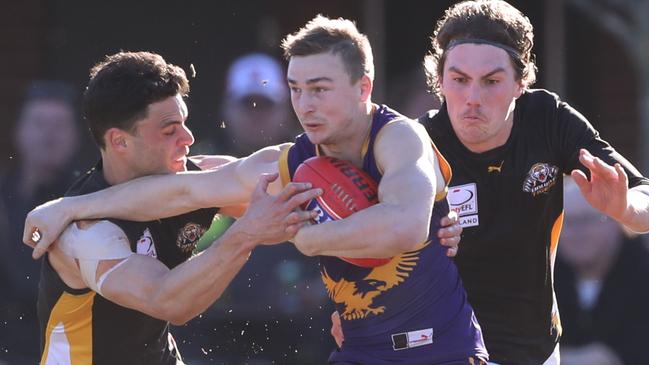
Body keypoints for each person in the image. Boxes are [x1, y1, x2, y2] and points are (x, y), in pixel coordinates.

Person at [23, 16, 481, 364]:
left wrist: (307, 234)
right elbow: (171, 287)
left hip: (438, 350)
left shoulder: (398, 138)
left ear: (365, 88)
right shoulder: (85, 228)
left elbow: (404, 227)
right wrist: (70, 206)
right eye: (297, 89)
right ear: (120, 141)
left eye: (319, 89)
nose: (305, 105)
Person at [30, 51, 320, 364]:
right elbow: (168, 301)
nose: (188, 138)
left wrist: (353, 144)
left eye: (185, 123)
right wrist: (248, 233)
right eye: (170, 130)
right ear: (119, 142)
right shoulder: (85, 232)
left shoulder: (194, 177)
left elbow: (272, 169)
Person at [413, 1, 649, 364]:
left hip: (535, 348)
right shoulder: (417, 142)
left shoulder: (548, 120)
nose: (472, 98)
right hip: (447, 346)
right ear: (440, 80)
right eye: (459, 80)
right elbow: (375, 230)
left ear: (520, 83)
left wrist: (625, 209)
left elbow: (643, 197)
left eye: (491, 81)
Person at [0, 80, 81, 363]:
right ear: (19, 131)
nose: (48, 136)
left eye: (59, 126)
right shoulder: (3, 195)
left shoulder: (90, 198)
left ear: (75, 136)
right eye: (39, 123)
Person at [554, 179, 649, 365]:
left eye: (587, 219)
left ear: (617, 221)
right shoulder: (541, 276)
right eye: (567, 222)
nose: (577, 232)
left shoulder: (643, 271)